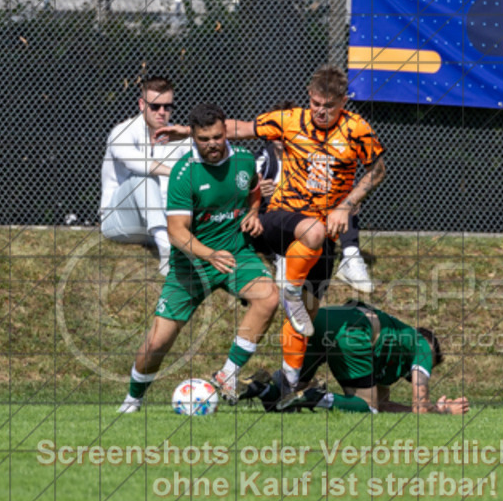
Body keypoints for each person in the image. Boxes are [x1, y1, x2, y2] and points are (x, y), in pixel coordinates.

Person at [157, 67, 386, 394]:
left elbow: (378, 169)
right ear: (309, 96)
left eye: (329, 105)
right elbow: (242, 128)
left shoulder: (356, 130)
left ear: (344, 102)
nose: (320, 111)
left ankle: (284, 387)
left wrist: (347, 204)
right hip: (281, 217)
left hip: (319, 236)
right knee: (312, 237)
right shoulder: (291, 119)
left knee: (303, 316)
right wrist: (186, 130)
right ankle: (289, 288)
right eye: (315, 102)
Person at [117, 103, 278, 413]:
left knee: (269, 297)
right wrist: (209, 254)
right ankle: (133, 399)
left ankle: (227, 374)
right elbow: (177, 232)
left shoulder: (244, 160)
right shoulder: (184, 172)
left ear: (225, 133)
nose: (212, 144)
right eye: (204, 139)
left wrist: (254, 212)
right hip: (190, 265)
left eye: (217, 137)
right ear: (193, 137)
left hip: (234, 255)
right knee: (156, 344)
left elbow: (254, 189)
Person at [243, 301, 468, 415]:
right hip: (354, 331)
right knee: (367, 410)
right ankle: (317, 396)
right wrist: (445, 409)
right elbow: (420, 406)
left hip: (319, 320)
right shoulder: (422, 345)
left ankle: (258, 387)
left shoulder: (395, 347)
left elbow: (383, 404)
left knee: (286, 402)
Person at [256, 136, 375, 293]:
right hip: (271, 218)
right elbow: (244, 187)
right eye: (276, 131)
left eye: (283, 131)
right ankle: (284, 256)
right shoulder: (263, 158)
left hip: (309, 215)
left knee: (344, 202)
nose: (280, 136)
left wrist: (349, 198)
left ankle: (350, 256)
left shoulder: (311, 154)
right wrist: (256, 190)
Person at [100, 76, 190, 276]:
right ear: (142, 104)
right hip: (120, 219)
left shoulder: (178, 136)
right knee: (143, 177)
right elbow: (137, 163)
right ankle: (166, 248)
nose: (161, 112)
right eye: (155, 106)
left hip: (166, 219)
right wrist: (176, 171)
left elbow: (213, 153)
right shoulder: (122, 132)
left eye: (167, 107)